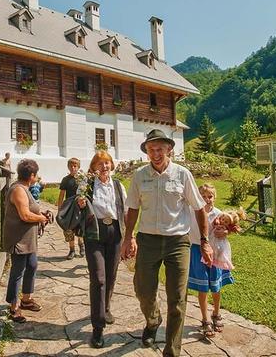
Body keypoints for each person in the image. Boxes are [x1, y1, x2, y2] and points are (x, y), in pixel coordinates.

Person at [121, 129, 213, 357]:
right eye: (151, 149)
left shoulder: (182, 174)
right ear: (146, 152)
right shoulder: (140, 176)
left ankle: (172, 351)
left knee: (177, 299)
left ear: (169, 149)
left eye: (159, 148)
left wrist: (204, 241)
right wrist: (128, 237)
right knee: (143, 291)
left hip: (177, 243)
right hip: (148, 240)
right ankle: (153, 320)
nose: (155, 153)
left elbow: (199, 208)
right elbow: (133, 208)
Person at [76, 151, 127, 348]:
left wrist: (128, 236)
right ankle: (97, 328)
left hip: (114, 232)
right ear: (94, 167)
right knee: (98, 278)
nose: (104, 166)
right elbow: (78, 204)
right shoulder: (87, 185)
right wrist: (80, 203)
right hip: (94, 233)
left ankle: (105, 308)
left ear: (111, 165)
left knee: (111, 275)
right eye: (100, 163)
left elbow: (126, 209)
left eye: (107, 163)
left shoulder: (118, 185)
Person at [1, 159, 50, 323]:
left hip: (27, 239)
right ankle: (14, 307)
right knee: (18, 271)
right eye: (36, 175)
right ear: (32, 176)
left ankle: (26, 299)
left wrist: (40, 213)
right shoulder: (18, 190)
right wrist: (41, 218)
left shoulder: (24, 188)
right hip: (19, 239)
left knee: (32, 265)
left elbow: (30, 210)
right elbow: (25, 215)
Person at [187, 183, 234, 338]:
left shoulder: (219, 214)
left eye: (210, 196)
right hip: (196, 249)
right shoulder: (192, 211)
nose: (207, 199)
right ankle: (205, 318)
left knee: (216, 285)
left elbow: (230, 226)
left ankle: (216, 312)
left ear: (215, 197)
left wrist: (226, 231)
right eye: (203, 197)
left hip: (215, 252)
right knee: (202, 286)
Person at [57, 158, 85, 260]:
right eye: (71, 166)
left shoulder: (82, 179)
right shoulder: (66, 180)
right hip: (68, 207)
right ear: (68, 167)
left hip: (80, 206)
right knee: (69, 228)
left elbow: (85, 193)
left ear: (78, 167)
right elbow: (61, 195)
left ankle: (81, 245)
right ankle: (72, 249)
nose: (73, 168)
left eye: (75, 166)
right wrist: (60, 210)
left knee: (80, 227)